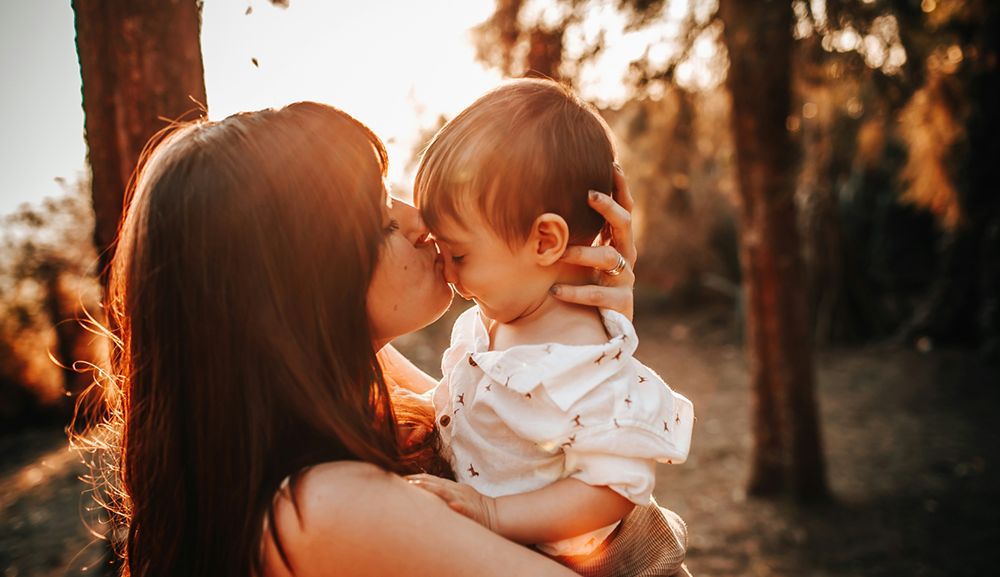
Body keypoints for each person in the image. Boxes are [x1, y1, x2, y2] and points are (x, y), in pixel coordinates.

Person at [80, 101, 640, 576]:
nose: (421, 219)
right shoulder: (322, 507)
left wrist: (583, 329)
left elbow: (515, 435)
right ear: (302, 284)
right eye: (380, 221)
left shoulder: (349, 405)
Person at [406, 79, 694, 577]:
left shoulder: (579, 354)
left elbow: (614, 487)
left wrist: (492, 513)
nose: (448, 273)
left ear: (545, 240)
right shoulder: (498, 319)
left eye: (459, 254)